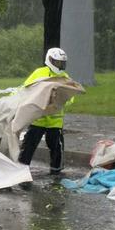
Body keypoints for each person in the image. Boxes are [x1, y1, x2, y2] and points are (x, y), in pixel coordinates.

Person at [18, 47, 72, 175]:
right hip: (38, 119)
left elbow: (70, 96)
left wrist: (62, 100)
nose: (60, 66)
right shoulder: (39, 73)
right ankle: (21, 170)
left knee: (57, 148)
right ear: (50, 60)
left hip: (55, 121)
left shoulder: (64, 77)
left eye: (62, 63)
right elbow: (27, 88)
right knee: (28, 146)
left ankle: (56, 171)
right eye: (57, 62)